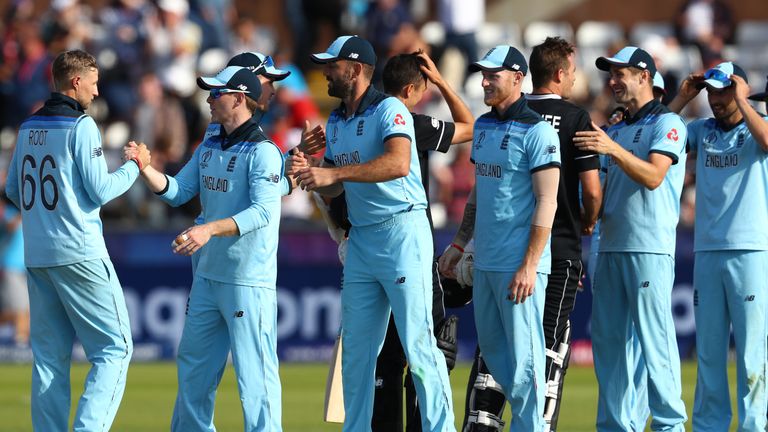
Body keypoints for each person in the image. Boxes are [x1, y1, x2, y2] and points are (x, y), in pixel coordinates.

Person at [294, 35, 455, 432]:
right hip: (363, 239)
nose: (325, 72)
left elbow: (398, 163)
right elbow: (336, 186)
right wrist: (314, 172)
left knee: (418, 346)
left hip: (402, 232)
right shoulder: (337, 120)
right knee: (357, 354)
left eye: (332, 65)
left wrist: (334, 173)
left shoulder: (389, 109)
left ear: (355, 69)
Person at [4, 49, 150, 431]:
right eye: (94, 83)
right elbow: (101, 190)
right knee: (115, 349)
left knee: (49, 359)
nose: (97, 91)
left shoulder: (27, 126)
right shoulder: (81, 125)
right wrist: (135, 166)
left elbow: (13, 190)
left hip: (38, 254)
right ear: (76, 81)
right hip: (79, 251)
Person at [136, 66, 285, 431]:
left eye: (216, 93)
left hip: (246, 279)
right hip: (208, 276)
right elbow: (178, 192)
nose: (208, 99)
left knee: (255, 381)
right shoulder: (210, 144)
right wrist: (145, 168)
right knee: (193, 374)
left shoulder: (263, 152)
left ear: (238, 98)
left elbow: (264, 212)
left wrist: (208, 230)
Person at [440, 44, 561, 431]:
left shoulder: (539, 131)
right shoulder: (484, 126)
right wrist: (459, 243)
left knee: (525, 367)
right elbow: (479, 193)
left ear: (518, 78)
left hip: (518, 267)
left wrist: (529, 265)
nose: (485, 82)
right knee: (495, 357)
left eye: (493, 75)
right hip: (486, 263)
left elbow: (548, 201)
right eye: (483, 75)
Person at [573, 46, 688, 431]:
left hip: (649, 248)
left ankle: (670, 426)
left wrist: (611, 147)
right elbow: (600, 192)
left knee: (655, 345)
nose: (613, 81)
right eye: (611, 74)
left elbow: (654, 176)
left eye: (620, 73)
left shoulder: (668, 123)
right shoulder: (617, 129)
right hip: (609, 248)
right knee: (610, 350)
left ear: (644, 76)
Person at [372, 50, 473, 431]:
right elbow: (470, 126)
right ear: (411, 90)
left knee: (383, 356)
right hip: (412, 249)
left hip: (370, 249)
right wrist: (443, 81)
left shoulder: (361, 124)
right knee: (429, 349)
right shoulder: (413, 124)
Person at [668, 62, 768, 431]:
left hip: (751, 251)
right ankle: (709, 426)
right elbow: (659, 135)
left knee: (751, 351)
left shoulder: (758, 124)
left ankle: (754, 426)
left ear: (739, 88)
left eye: (722, 90)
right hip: (707, 251)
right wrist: (682, 98)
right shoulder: (703, 130)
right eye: (711, 91)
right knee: (709, 352)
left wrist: (743, 101)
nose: (715, 99)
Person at [526, 37, 602, 432]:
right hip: (559, 246)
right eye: (572, 72)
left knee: (506, 346)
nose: (575, 78)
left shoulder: (513, 112)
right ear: (558, 74)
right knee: (550, 347)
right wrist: (588, 221)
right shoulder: (575, 118)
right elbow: (592, 190)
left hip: (511, 247)